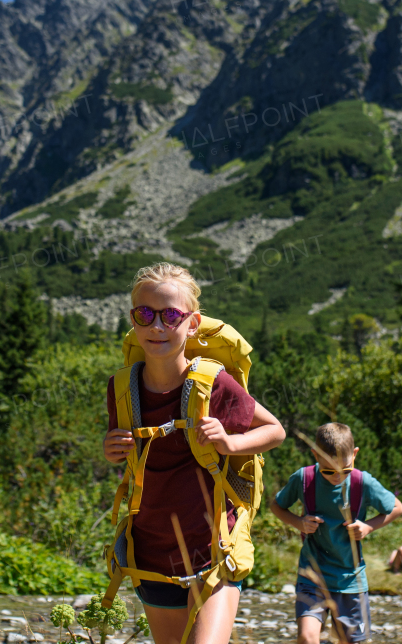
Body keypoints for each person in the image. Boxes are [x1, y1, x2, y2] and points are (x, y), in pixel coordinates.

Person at [103, 263, 285, 644]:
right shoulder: (122, 388)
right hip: (150, 558)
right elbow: (124, 453)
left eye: (171, 315)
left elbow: (275, 431)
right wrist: (112, 449)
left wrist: (230, 443)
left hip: (213, 556)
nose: (157, 326)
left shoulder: (214, 383)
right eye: (145, 314)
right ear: (133, 320)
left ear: (192, 323)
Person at [268, 423, 402, 644]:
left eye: (345, 470)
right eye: (329, 470)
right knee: (306, 637)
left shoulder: (363, 482)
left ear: (355, 454)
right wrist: (299, 522)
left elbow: (398, 507)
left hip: (350, 581)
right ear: (315, 455)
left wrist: (369, 526)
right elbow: (276, 506)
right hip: (312, 576)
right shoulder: (304, 478)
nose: (337, 477)